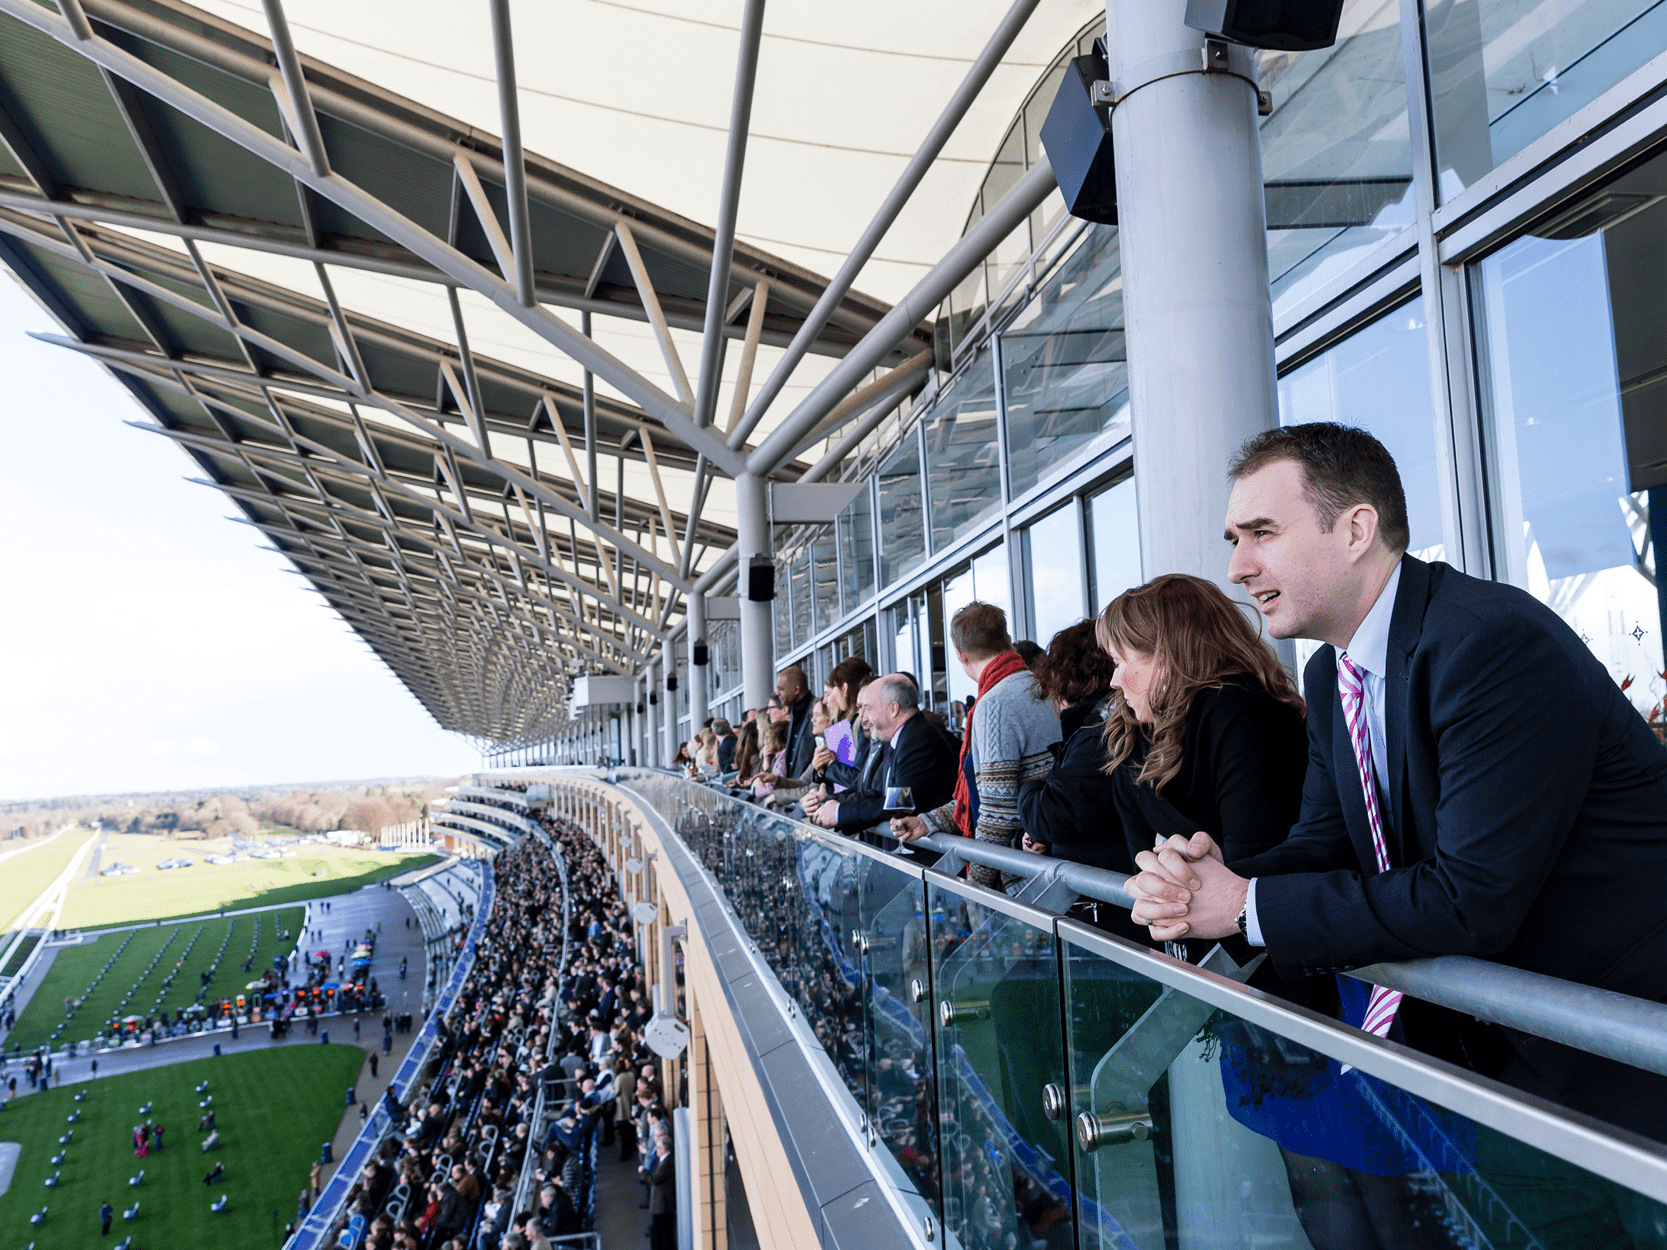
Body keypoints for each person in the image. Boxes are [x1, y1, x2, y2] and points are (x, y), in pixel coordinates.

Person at [1128, 421, 1667, 1145]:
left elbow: (1470, 897)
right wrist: (1207, 882)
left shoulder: (1489, 644)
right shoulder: (1330, 673)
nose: (1236, 566)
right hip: (1507, 1056)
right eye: (1234, 539)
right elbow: (1327, 841)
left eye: (1261, 532)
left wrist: (1245, 905)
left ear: (1355, 530)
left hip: (1621, 1051)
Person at [1101, 573, 1308, 884]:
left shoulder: (1242, 713)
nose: (1114, 681)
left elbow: (1256, 872)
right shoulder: (1134, 735)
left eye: (1119, 661)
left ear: (1165, 658)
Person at [893, 603, 1061, 886]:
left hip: (1022, 880)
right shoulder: (1040, 685)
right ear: (1007, 640)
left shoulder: (994, 703)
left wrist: (976, 886)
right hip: (1043, 869)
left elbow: (998, 814)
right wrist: (928, 822)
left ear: (960, 655)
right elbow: (978, 799)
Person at [1015, 621, 1126, 873]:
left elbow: (1052, 815)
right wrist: (1036, 837)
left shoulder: (1099, 730)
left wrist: (1033, 787)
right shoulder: (1093, 726)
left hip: (1106, 895)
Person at [811, 674, 958, 837]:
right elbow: (876, 792)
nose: (864, 717)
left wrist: (839, 812)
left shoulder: (917, 740)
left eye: (868, 708)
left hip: (927, 855)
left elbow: (898, 804)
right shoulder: (902, 737)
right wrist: (830, 804)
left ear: (893, 709)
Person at [775, 665, 817, 777]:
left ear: (796, 689)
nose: (777, 693)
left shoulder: (818, 711)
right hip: (793, 788)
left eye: (781, 689)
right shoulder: (794, 711)